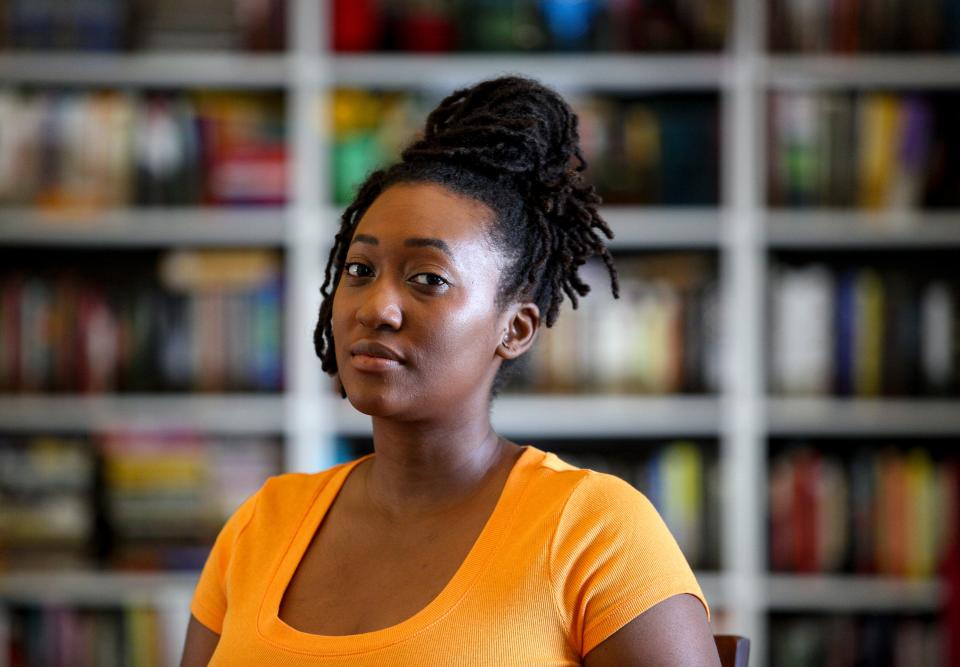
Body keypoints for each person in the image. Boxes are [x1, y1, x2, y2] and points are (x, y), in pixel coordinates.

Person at [181, 75, 720, 666]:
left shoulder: (595, 532)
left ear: (514, 329)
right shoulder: (263, 524)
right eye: (359, 269)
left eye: (428, 279)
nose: (376, 307)